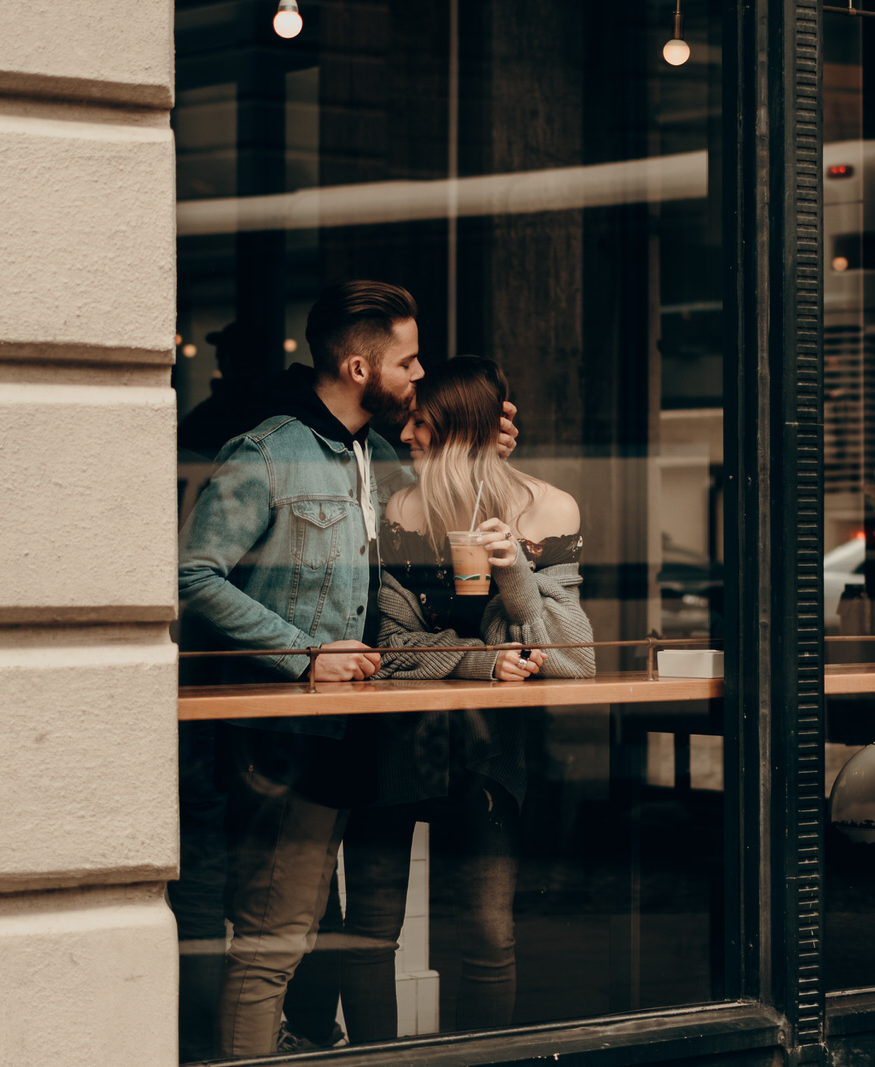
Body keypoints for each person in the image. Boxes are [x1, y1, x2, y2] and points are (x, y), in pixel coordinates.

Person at [175, 282, 521, 1058]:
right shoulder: (267, 451)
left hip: (357, 735)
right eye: (409, 359)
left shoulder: (380, 457)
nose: (420, 372)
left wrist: (479, 451)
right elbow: (193, 573)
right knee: (275, 940)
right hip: (286, 742)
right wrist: (304, 653)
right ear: (362, 366)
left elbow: (434, 528)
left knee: (319, 938)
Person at [281, 355, 593, 1046]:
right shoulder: (399, 510)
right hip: (392, 739)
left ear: (456, 433)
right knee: (369, 930)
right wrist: (481, 661)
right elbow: (388, 649)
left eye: (421, 423)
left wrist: (517, 576)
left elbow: (575, 660)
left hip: (489, 752)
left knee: (488, 931)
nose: (409, 436)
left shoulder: (551, 507)